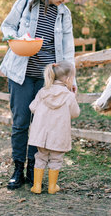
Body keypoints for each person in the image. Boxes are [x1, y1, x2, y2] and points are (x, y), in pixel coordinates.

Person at [0, 0, 77, 190]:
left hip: (49, 80)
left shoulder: (64, 14)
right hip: (21, 75)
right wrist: (18, 39)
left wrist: (71, 79)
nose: (65, 0)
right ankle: (17, 169)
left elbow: (68, 49)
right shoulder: (25, 3)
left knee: (41, 125)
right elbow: (7, 27)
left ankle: (35, 168)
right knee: (21, 122)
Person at [28, 61, 80, 194]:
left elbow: (32, 107)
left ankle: (37, 186)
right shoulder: (68, 96)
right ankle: (52, 187)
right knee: (56, 159)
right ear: (68, 79)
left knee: (40, 157)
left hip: (42, 135)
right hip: (59, 135)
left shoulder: (43, 91)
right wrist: (74, 97)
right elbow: (75, 113)